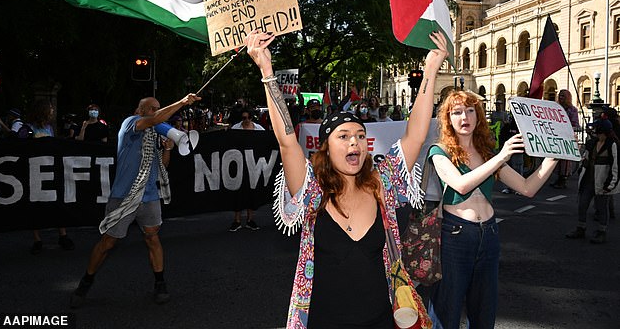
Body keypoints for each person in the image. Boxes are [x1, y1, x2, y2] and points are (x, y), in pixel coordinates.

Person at [247, 29, 449, 328]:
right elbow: (287, 141)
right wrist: (267, 71)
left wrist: (431, 69)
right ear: (326, 148)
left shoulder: (382, 183)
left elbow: (416, 134)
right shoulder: (312, 190)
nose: (354, 142)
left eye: (359, 136)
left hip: (381, 320)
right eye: (343, 136)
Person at [426, 90, 558, 329]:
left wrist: (554, 158)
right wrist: (501, 158)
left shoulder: (487, 154)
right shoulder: (439, 152)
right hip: (455, 237)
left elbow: (527, 188)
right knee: (447, 310)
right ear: (448, 119)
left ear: (478, 117)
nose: (464, 117)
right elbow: (461, 185)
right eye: (457, 112)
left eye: (470, 111)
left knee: (484, 312)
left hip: (489, 236)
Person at [70, 93, 200, 308]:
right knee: (108, 242)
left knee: (152, 237)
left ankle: (160, 283)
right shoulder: (130, 124)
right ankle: (85, 282)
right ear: (139, 111)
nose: (156, 112)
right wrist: (182, 102)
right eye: (152, 108)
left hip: (149, 196)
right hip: (124, 196)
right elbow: (156, 120)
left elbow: (162, 167)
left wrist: (167, 149)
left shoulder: (153, 136)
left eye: (158, 108)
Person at [27, 99, 74, 254]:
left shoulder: (49, 128)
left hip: (50, 169)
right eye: (51, 109)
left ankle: (63, 235)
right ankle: (37, 239)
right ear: (44, 111)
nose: (53, 112)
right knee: (35, 204)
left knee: (57, 200)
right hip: (35, 171)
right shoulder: (29, 128)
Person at [566, 119, 618, 244]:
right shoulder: (591, 143)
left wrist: (610, 185)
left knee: (601, 208)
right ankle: (581, 228)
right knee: (582, 204)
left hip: (602, 181)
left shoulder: (612, 145)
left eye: (597, 131)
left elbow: (615, 166)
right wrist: (581, 169)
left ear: (603, 132)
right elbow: (585, 159)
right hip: (588, 180)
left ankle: (602, 232)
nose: (595, 133)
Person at [228, 108, 264, 231]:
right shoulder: (235, 129)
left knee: (251, 192)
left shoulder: (259, 129)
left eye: (249, 118)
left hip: (253, 166)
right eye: (244, 118)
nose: (247, 120)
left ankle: (250, 219)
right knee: (237, 192)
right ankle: (237, 220)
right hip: (238, 165)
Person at [552, 89, 579, 189]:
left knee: (565, 161)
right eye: (559, 95)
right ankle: (558, 178)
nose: (560, 97)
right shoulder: (556, 108)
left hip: (567, 138)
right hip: (557, 137)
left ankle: (563, 179)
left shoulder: (572, 110)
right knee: (557, 159)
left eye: (563, 96)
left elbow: (576, 125)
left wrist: (567, 128)